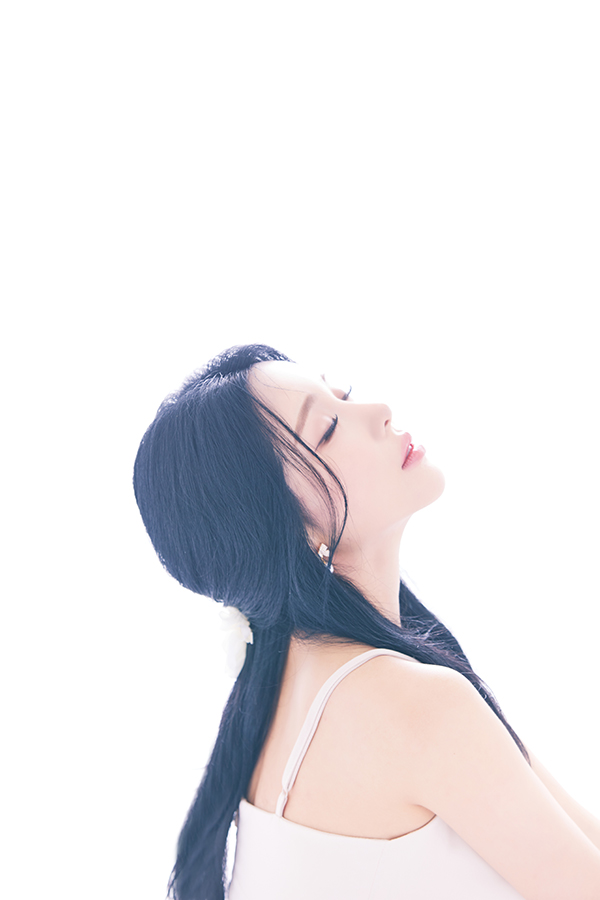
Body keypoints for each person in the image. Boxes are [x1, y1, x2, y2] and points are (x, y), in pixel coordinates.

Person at [133, 344, 600, 900]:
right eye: (328, 428)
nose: (378, 411)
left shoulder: (282, 701)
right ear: (285, 525)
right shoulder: (409, 703)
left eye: (344, 396)